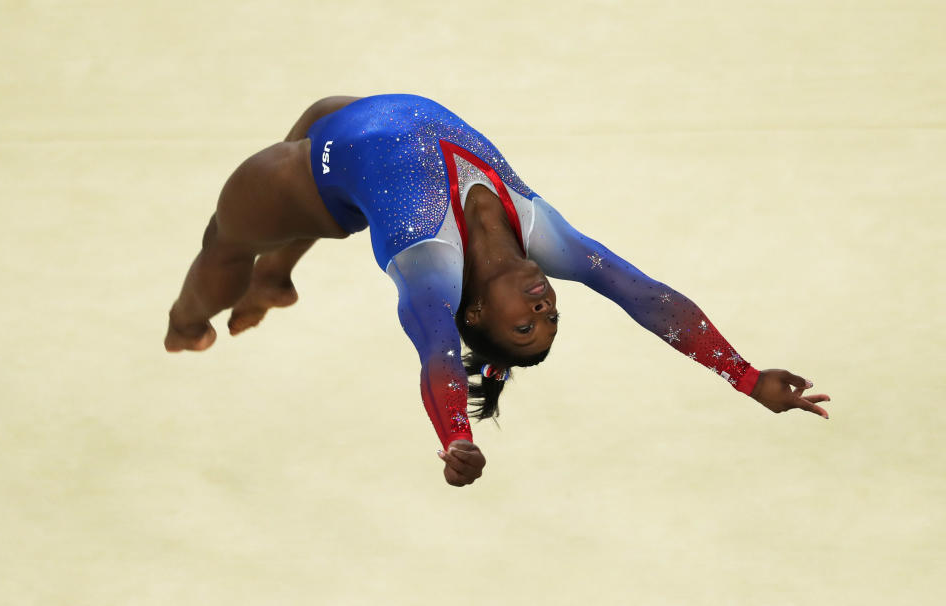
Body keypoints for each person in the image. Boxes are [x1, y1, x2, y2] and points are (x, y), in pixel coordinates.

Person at [164, 94, 831, 487]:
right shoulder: (545, 235)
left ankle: (188, 321)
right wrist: (743, 376)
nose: (544, 309)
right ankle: (278, 278)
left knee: (223, 238)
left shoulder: (431, 268)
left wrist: (456, 437)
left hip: (315, 168)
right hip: (344, 114)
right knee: (328, 170)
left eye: (525, 328)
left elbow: (437, 358)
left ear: (475, 312)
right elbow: (648, 297)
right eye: (550, 319)